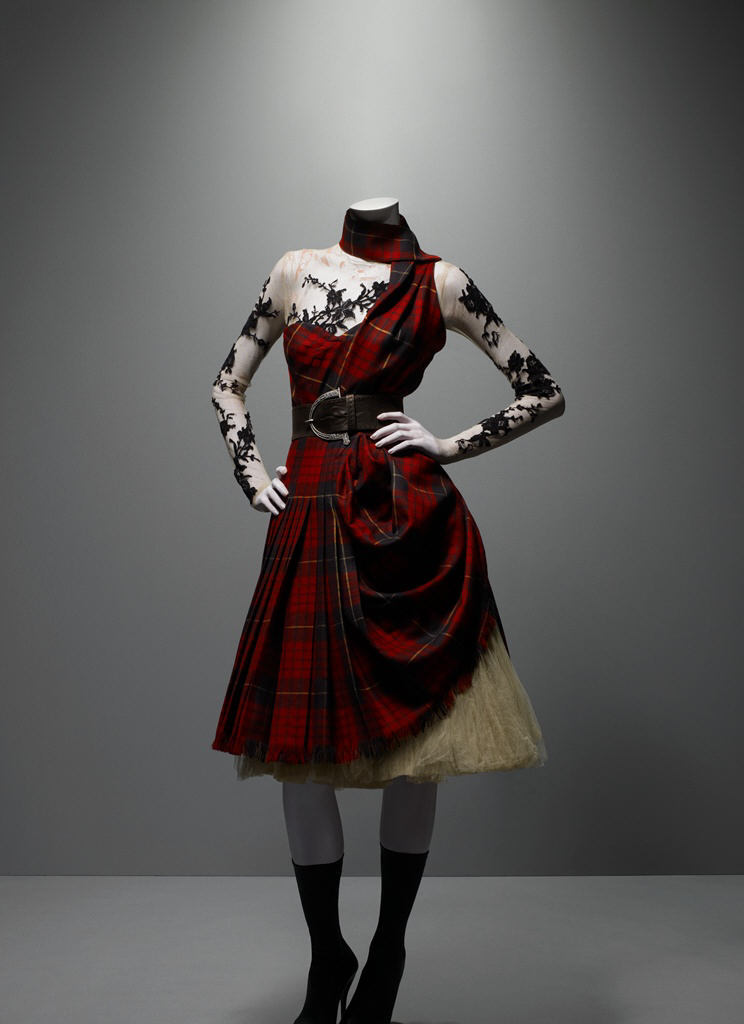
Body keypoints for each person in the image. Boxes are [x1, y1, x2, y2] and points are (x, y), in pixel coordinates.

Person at [209, 197, 565, 1024]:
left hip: (406, 517)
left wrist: (448, 445)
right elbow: (227, 383)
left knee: (418, 749)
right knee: (298, 755)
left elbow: (543, 390)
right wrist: (251, 472)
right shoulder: (294, 270)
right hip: (308, 512)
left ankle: (390, 947)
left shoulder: (441, 282)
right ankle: (326, 954)